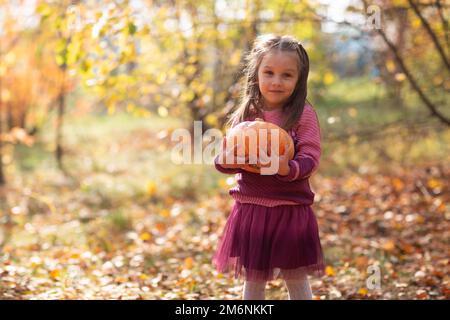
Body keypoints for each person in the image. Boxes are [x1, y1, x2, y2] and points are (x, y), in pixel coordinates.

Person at [212, 34, 325, 300]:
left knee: (295, 275)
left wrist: (288, 168)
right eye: (269, 73)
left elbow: (311, 155)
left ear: (299, 80)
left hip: (289, 207)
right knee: (254, 277)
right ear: (256, 75)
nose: (276, 81)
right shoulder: (246, 114)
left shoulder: (302, 114)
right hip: (252, 207)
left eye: (286, 75)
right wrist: (225, 161)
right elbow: (226, 155)